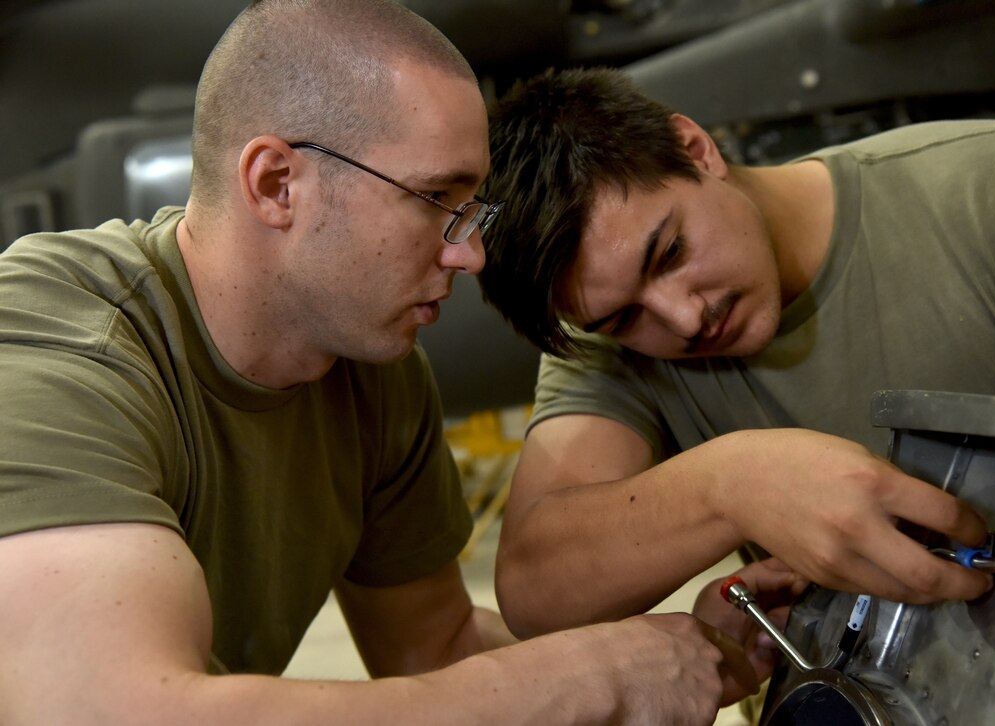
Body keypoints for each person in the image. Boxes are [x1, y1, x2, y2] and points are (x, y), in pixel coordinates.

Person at [0, 5, 802, 724]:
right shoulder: (57, 341)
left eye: (472, 208)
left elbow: (434, 650)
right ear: (277, 183)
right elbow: (102, 708)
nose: (472, 252)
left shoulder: (371, 370)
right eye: (436, 201)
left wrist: (680, 652)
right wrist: (581, 676)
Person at [477, 66, 995, 639]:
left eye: (670, 253)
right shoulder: (607, 339)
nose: (685, 318)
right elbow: (535, 588)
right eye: (626, 317)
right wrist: (731, 485)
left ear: (695, 150)